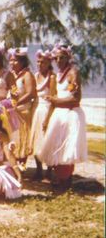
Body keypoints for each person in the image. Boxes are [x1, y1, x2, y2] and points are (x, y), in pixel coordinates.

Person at [38, 44, 87, 190]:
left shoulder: (73, 73)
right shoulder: (56, 76)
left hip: (71, 114)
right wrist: (47, 119)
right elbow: (53, 98)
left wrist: (55, 100)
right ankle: (61, 179)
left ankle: (66, 181)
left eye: (62, 57)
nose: (59, 60)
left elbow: (76, 99)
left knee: (67, 148)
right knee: (55, 148)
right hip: (58, 114)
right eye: (56, 58)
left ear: (68, 58)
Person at [29, 49, 56, 180]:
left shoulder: (51, 77)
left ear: (48, 63)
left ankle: (49, 170)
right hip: (36, 109)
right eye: (38, 62)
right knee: (35, 140)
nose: (40, 64)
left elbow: (53, 98)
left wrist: (48, 117)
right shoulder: (35, 76)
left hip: (46, 109)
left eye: (43, 62)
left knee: (47, 140)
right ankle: (38, 169)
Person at [10, 47, 37, 169]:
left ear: (22, 62)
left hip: (23, 111)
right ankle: (14, 166)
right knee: (13, 140)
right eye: (10, 60)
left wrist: (17, 103)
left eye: (15, 60)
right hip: (12, 112)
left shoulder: (27, 75)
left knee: (22, 139)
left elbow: (31, 93)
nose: (12, 63)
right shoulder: (11, 75)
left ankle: (21, 166)